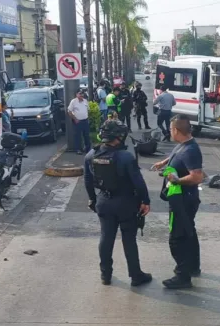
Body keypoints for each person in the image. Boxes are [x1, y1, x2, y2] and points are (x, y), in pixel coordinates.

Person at [84, 119, 152, 287]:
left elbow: (87, 181)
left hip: (104, 201)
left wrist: (92, 198)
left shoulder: (91, 155)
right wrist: (145, 201)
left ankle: (105, 275)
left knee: (106, 237)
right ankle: (136, 275)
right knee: (129, 239)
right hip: (126, 203)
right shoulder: (125, 157)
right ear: (118, 137)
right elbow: (138, 182)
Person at [151, 115, 203, 289]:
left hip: (183, 200)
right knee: (189, 231)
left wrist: (176, 180)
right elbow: (175, 154)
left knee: (177, 238)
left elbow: (196, 177)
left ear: (176, 131)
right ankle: (193, 266)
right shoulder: (184, 144)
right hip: (182, 198)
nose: (170, 131)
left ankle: (182, 275)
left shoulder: (191, 150)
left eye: (171, 129)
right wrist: (164, 162)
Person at [67, 90, 91, 155]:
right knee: (78, 136)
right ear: (76, 94)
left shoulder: (85, 101)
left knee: (86, 135)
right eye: (80, 94)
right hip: (78, 121)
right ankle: (78, 149)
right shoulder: (73, 101)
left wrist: (87, 118)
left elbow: (88, 110)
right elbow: (69, 111)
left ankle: (88, 148)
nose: (81, 95)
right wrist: (75, 119)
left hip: (85, 120)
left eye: (82, 94)